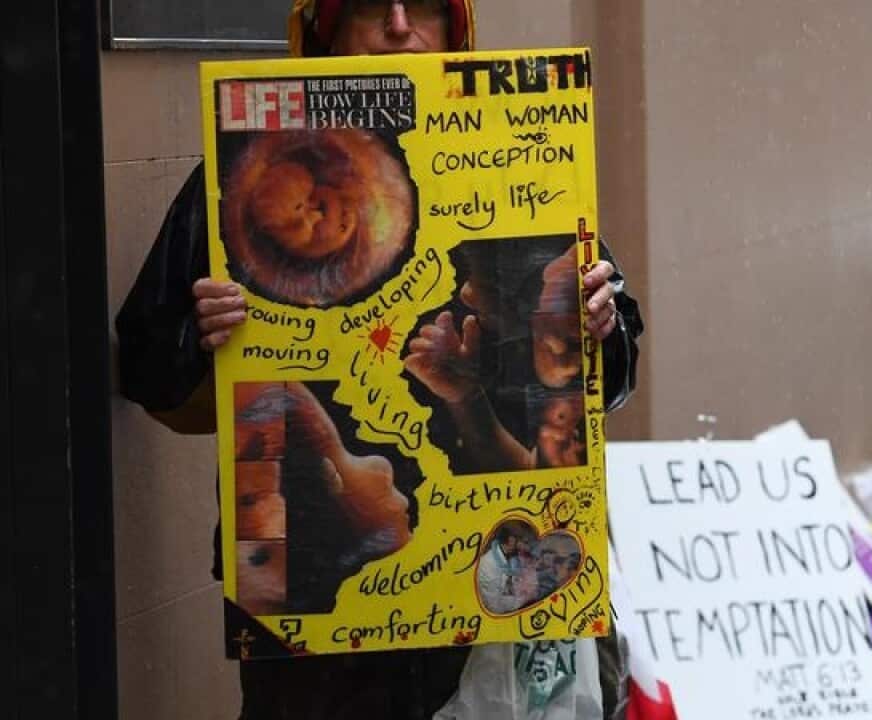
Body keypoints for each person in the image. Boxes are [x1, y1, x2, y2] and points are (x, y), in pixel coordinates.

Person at [114, 1, 644, 717]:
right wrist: (203, 338)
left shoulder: (523, 153)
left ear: (456, 27)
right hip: (321, 616)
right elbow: (149, 368)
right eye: (371, 4)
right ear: (324, 27)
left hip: (492, 605)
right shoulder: (246, 176)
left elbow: (610, 379)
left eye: (423, 5)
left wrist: (597, 327)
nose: (400, 24)